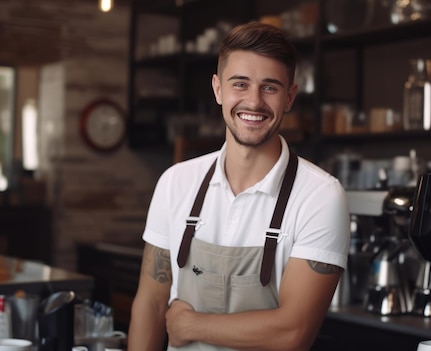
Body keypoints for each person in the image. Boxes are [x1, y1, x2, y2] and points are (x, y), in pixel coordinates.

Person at [128, 21, 350, 351]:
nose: (254, 102)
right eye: (240, 84)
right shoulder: (176, 183)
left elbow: (292, 333)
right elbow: (151, 303)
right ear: (218, 89)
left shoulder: (320, 196)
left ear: (290, 97)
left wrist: (190, 324)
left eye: (270, 87)